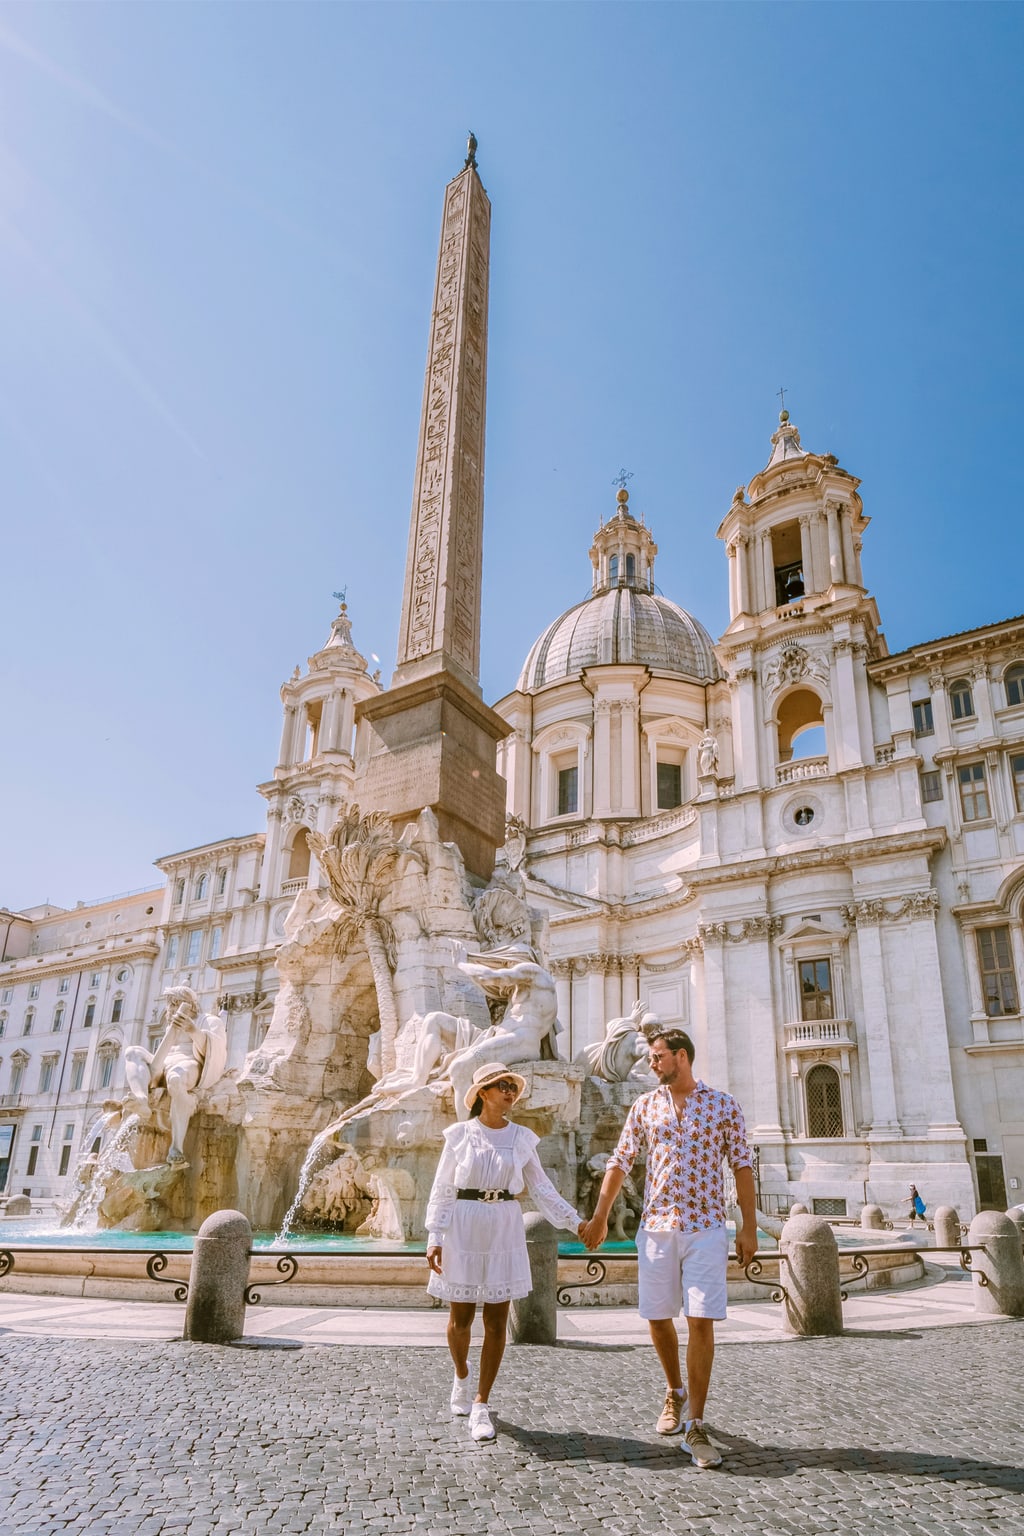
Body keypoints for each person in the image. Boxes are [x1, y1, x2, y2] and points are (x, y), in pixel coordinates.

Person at [581, 1028, 756, 1470]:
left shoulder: (723, 1105)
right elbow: (620, 1160)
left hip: (707, 1227)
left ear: (681, 1056)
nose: (651, 1064)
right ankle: (674, 1391)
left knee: (701, 1320)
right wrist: (601, 1216)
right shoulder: (644, 1105)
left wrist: (748, 1228)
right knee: (658, 1319)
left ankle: (696, 1423)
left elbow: (741, 1167)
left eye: (658, 1057)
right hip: (657, 1225)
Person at [425, 1061, 586, 1443]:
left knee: (497, 1320)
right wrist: (434, 1235)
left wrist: (576, 1223)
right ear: (482, 1093)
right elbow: (443, 1187)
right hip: (463, 1222)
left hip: (503, 1223)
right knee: (460, 1317)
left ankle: (481, 1403)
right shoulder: (459, 1135)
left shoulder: (522, 1138)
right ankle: (461, 1376)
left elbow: (542, 1189)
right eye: (501, 1087)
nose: (510, 1093)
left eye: (512, 1087)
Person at [123, 985, 226, 1163]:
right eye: (169, 1004)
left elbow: (215, 1052)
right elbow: (161, 1055)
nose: (169, 1009)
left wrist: (192, 1030)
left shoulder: (209, 1020)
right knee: (132, 1051)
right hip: (165, 1063)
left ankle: (176, 1147)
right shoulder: (170, 1024)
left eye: (174, 1003)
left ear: (189, 1004)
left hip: (189, 1062)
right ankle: (141, 1099)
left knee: (176, 1079)